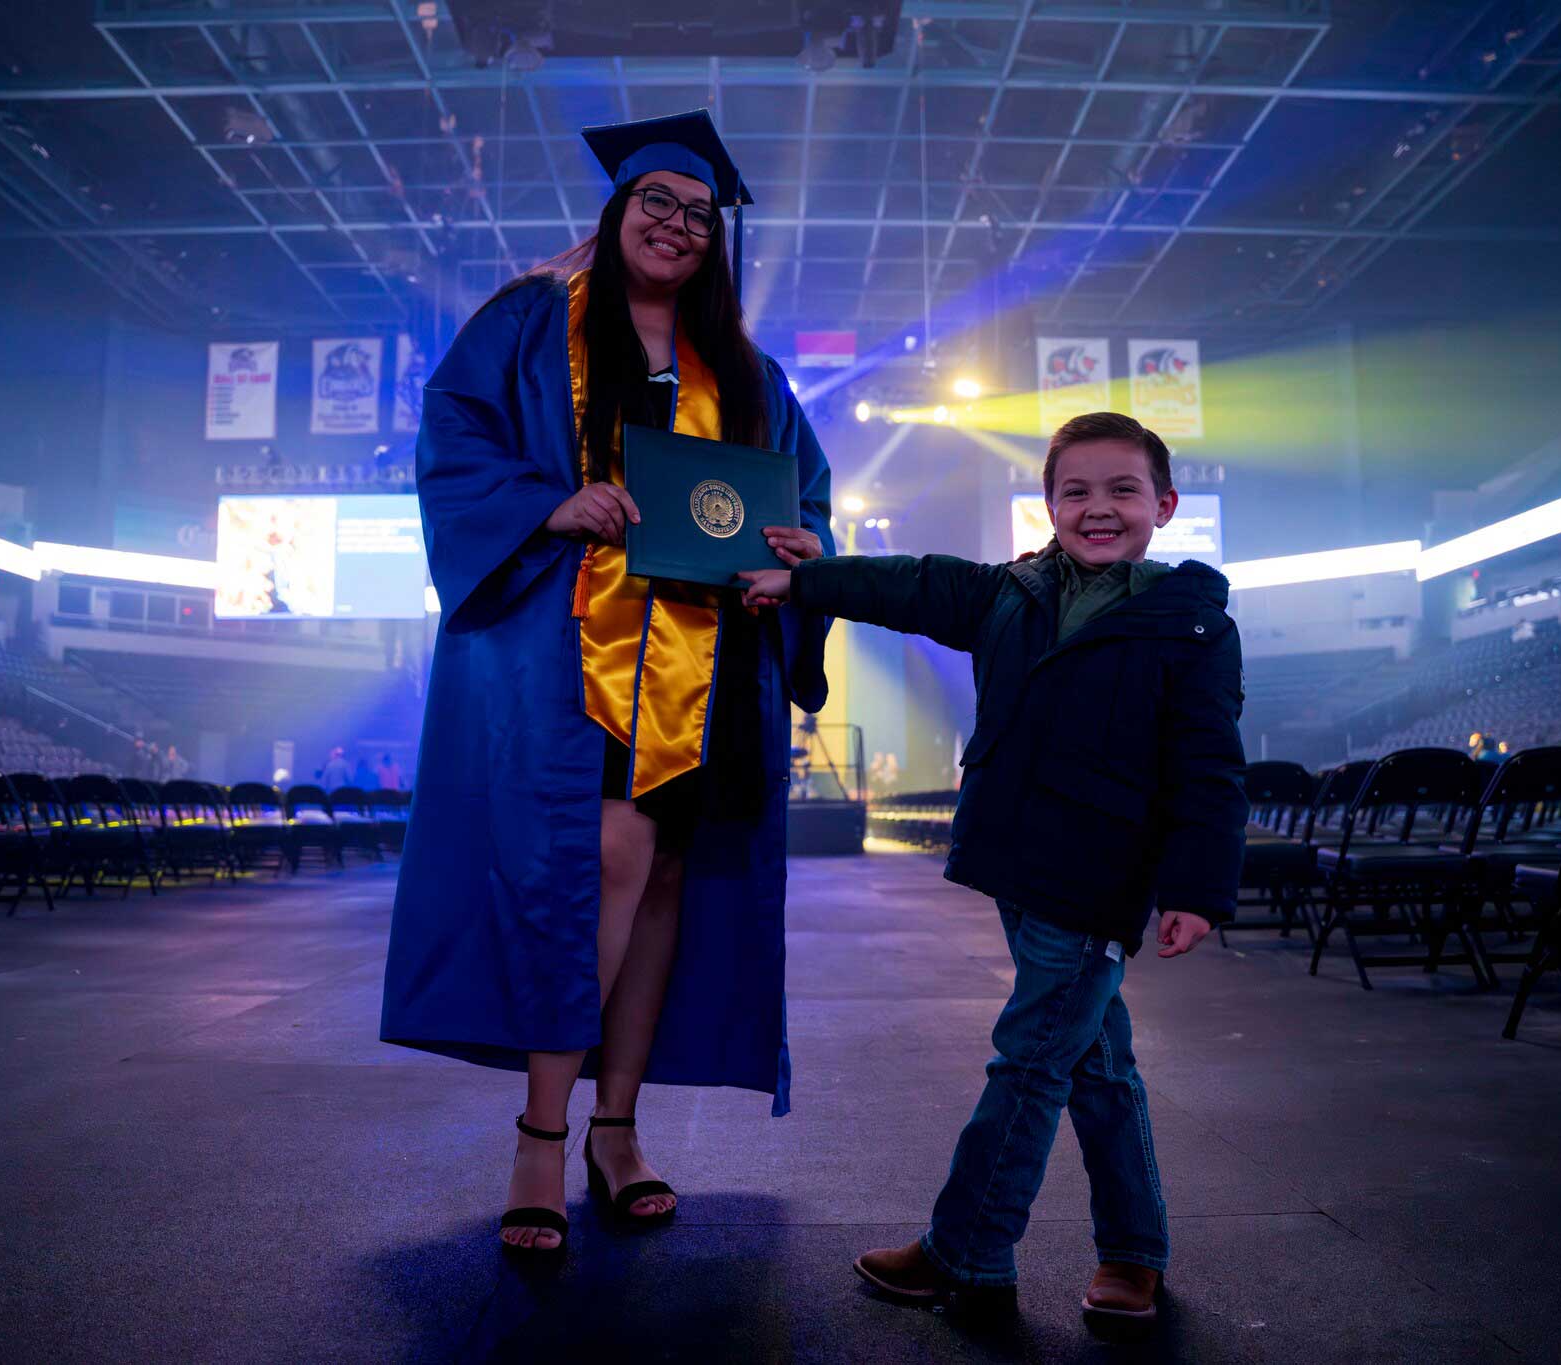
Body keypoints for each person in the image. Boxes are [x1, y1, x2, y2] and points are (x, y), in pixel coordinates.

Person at [380, 109, 833, 1257]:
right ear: (617, 212)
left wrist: (796, 556)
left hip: (709, 660)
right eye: (656, 205)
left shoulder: (744, 369)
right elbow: (453, 432)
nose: (677, 226)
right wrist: (548, 502)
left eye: (696, 214)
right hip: (574, 647)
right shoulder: (534, 320)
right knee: (605, 864)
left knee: (667, 874)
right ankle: (544, 1131)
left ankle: (615, 1129)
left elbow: (801, 494)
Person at [742, 411, 1244, 1331]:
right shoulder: (1010, 592)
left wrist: (1198, 888)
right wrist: (810, 577)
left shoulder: (1193, 623)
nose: (1099, 508)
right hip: (1018, 861)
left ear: (1165, 506)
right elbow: (915, 583)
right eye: (1076, 491)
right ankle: (1134, 1253)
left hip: (1096, 877)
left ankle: (965, 1248)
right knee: (1095, 1067)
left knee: (1029, 1064)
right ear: (1049, 504)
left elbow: (1210, 766)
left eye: (1123, 490)